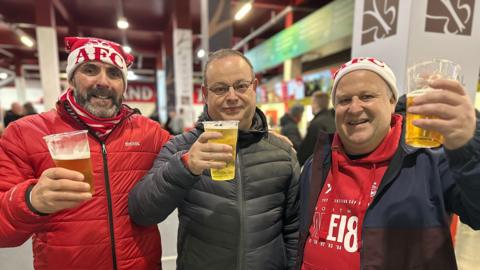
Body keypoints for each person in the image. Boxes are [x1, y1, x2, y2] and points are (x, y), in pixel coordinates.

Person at [0, 37, 171, 269]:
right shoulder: (25, 133)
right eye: (90, 70)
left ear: (123, 84)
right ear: (71, 78)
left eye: (113, 73)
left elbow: (188, 155)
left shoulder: (149, 132)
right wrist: (30, 200)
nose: (103, 82)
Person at [297, 57, 480, 270]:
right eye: (344, 100)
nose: (355, 108)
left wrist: (467, 146)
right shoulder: (316, 164)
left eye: (367, 96)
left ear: (392, 101)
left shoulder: (429, 160)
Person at [129, 49, 300, 270]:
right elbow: (142, 213)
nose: (231, 96)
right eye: (220, 88)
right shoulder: (181, 148)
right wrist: (184, 167)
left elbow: (294, 229)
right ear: (204, 94)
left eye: (240, 86)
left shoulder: (282, 152)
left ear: (254, 87)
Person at [297, 91, 335, 166]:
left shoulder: (316, 124)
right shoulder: (333, 120)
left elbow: (306, 152)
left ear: (315, 104)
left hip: (321, 168)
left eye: (312, 103)